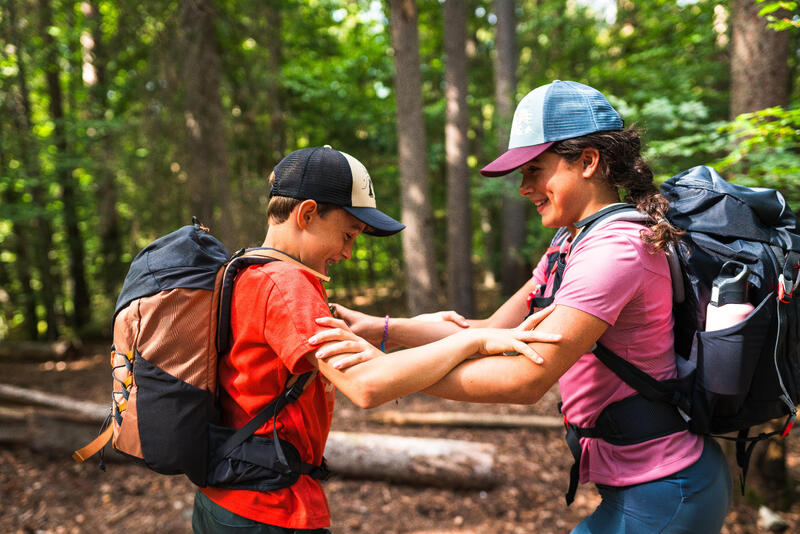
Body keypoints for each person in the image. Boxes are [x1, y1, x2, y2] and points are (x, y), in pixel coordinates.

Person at [316, 81, 733, 533]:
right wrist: (379, 327)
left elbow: (524, 377)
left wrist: (390, 371)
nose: (523, 188)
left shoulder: (615, 250)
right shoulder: (572, 240)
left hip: (666, 490)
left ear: (589, 161)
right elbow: (495, 331)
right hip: (645, 485)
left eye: (535, 170)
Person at [191, 145, 561, 534]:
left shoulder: (248, 268)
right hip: (267, 509)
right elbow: (367, 385)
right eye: (348, 235)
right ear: (307, 214)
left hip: (227, 493)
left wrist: (401, 326)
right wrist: (474, 342)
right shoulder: (287, 284)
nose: (349, 253)